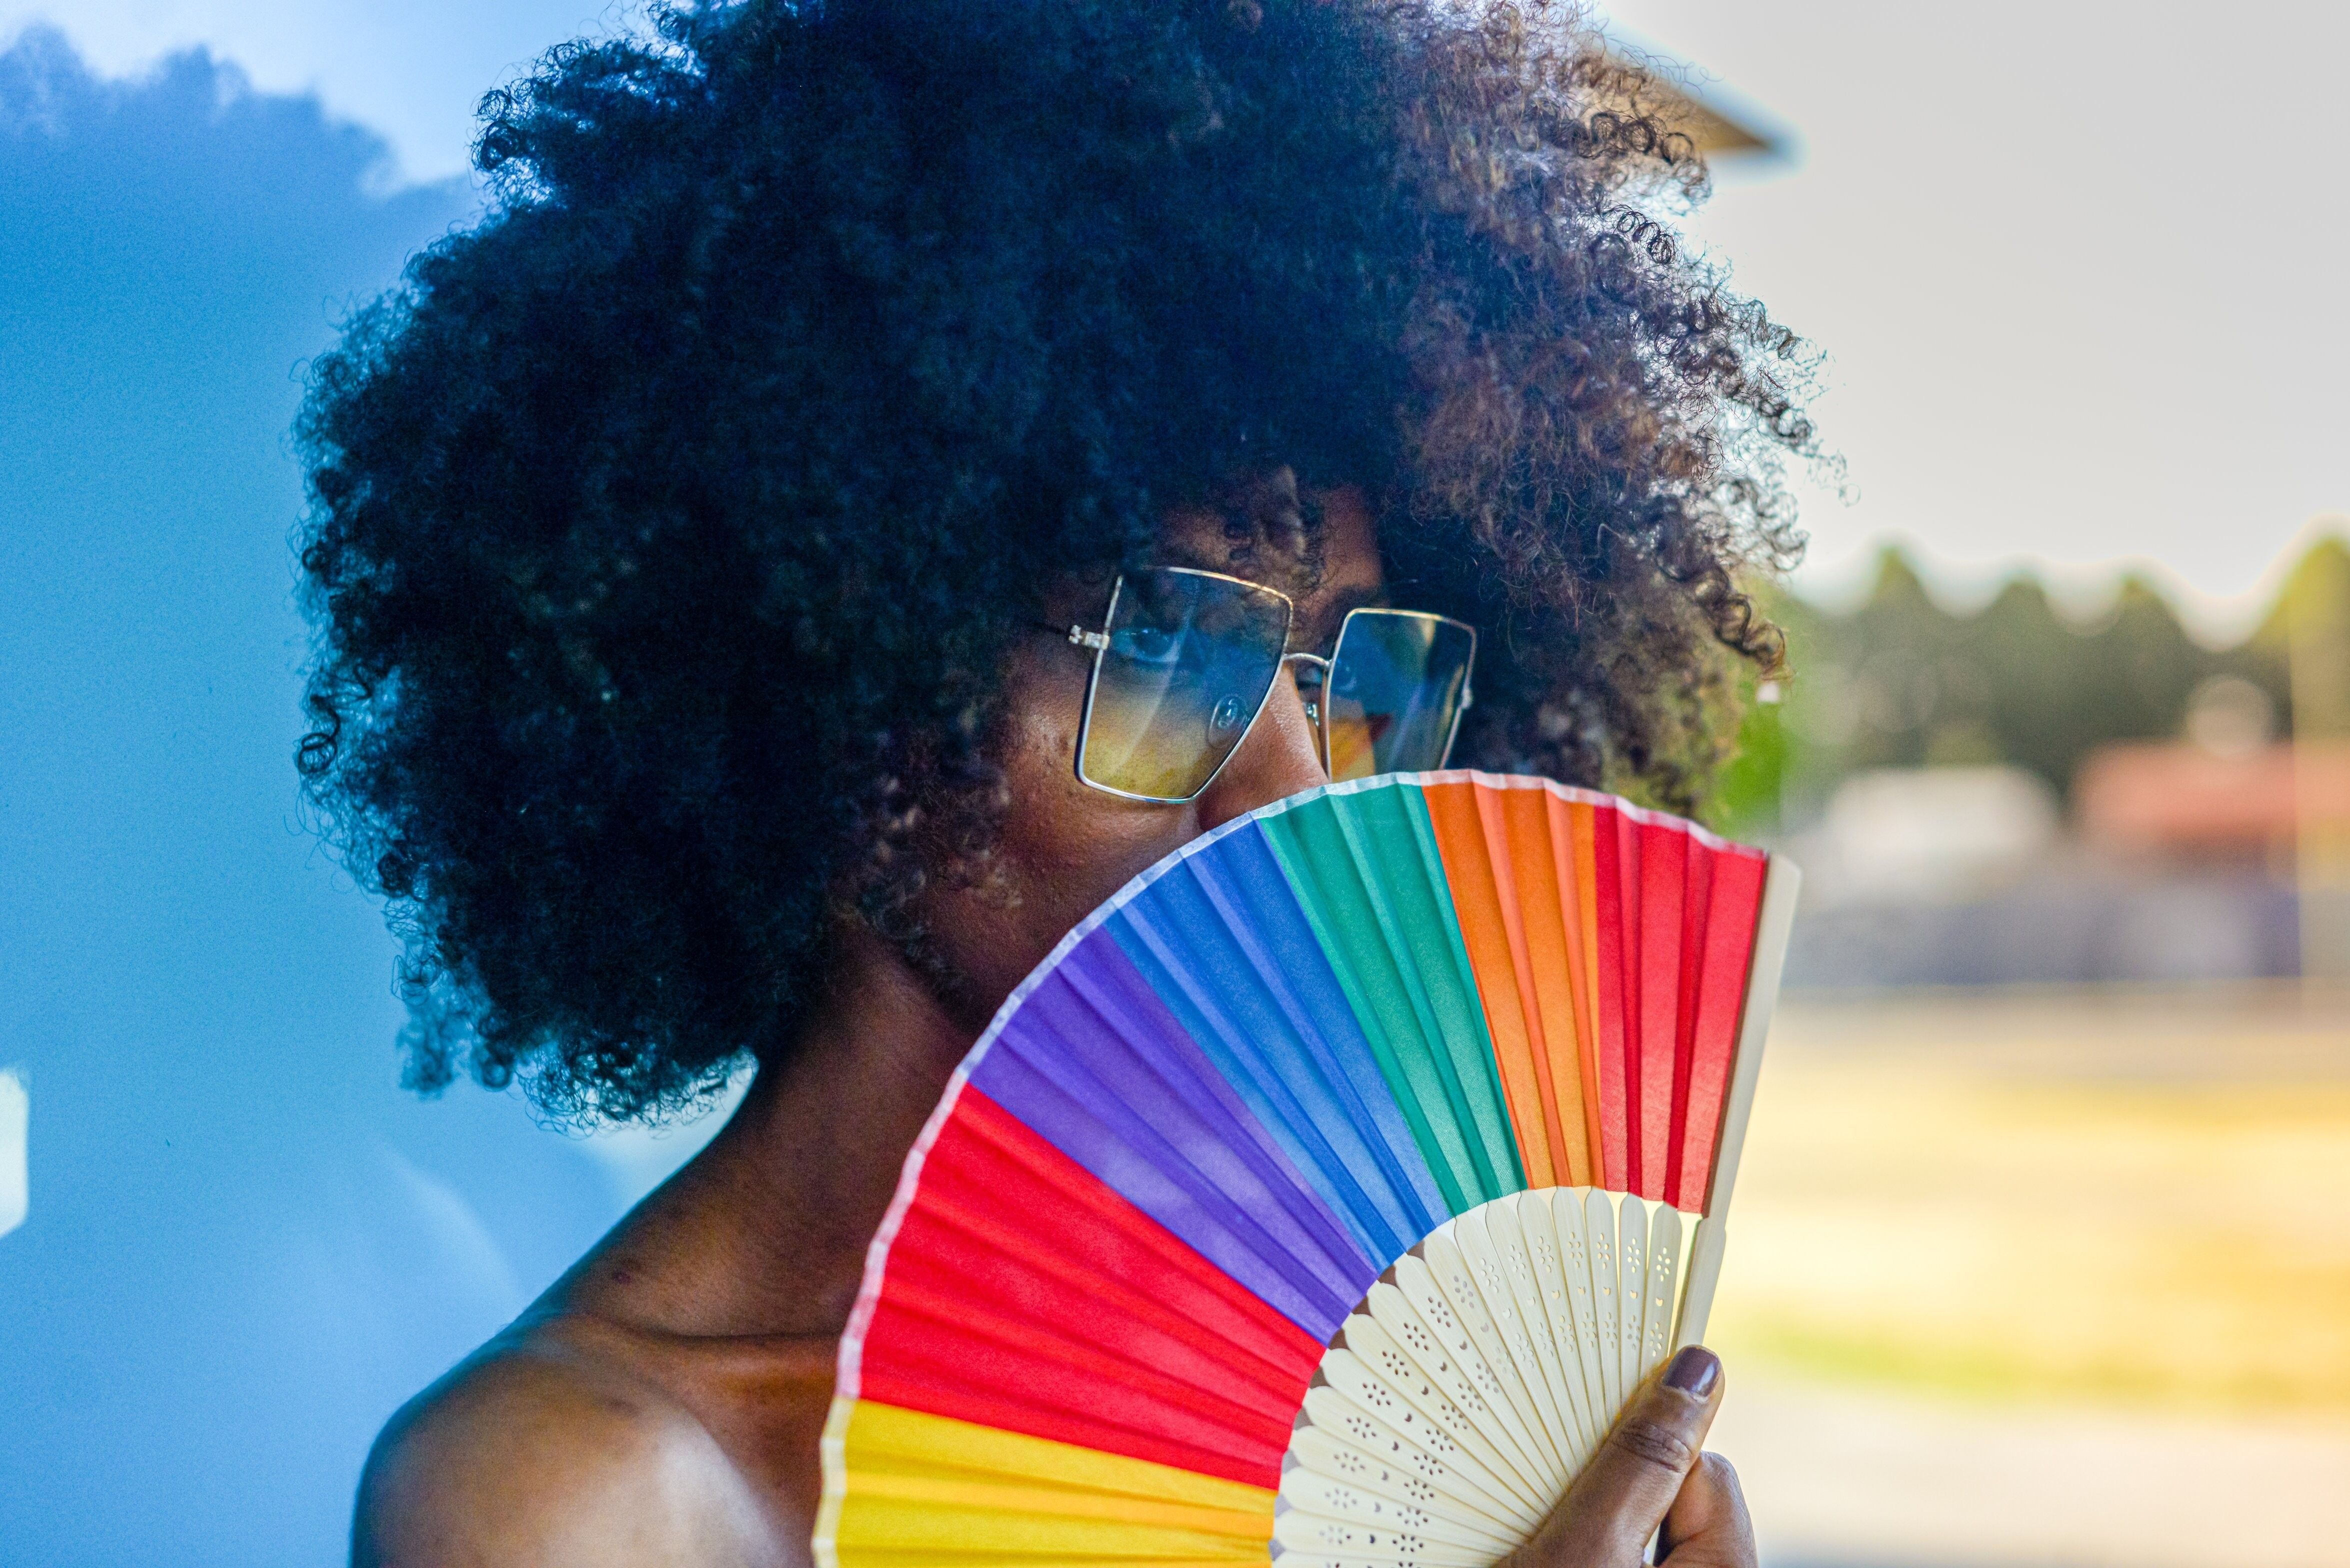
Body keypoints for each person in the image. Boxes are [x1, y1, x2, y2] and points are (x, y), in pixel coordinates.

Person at [297, 0, 1808, 1562]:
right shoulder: (583, 1487)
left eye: (1363, 680)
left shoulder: (1424, 1393)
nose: (1299, 802)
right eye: (1166, 650)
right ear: (848, 666)